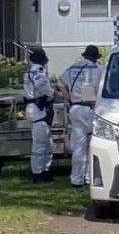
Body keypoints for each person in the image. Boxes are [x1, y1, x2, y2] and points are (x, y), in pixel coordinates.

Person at [60, 45, 104, 188]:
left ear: (85, 56)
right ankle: (89, 177)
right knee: (92, 145)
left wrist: (69, 99)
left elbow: (60, 84)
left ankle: (76, 179)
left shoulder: (72, 69)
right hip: (91, 108)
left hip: (75, 108)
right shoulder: (99, 70)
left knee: (78, 146)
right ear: (95, 57)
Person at [23, 47, 55, 184]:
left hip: (36, 108)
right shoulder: (39, 70)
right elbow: (41, 85)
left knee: (47, 143)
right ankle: (38, 173)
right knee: (40, 144)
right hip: (37, 109)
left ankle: (45, 170)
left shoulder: (31, 70)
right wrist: (52, 92)